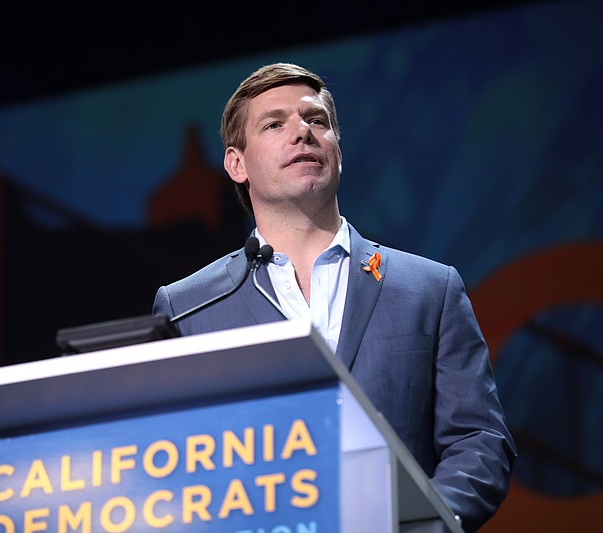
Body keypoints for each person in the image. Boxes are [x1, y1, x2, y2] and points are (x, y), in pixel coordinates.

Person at [153, 62, 516, 531]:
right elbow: (169, 464)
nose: (302, 132)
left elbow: (479, 438)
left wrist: (428, 523)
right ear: (236, 164)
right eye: (274, 123)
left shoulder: (429, 288)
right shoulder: (189, 307)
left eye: (317, 120)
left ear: (337, 149)